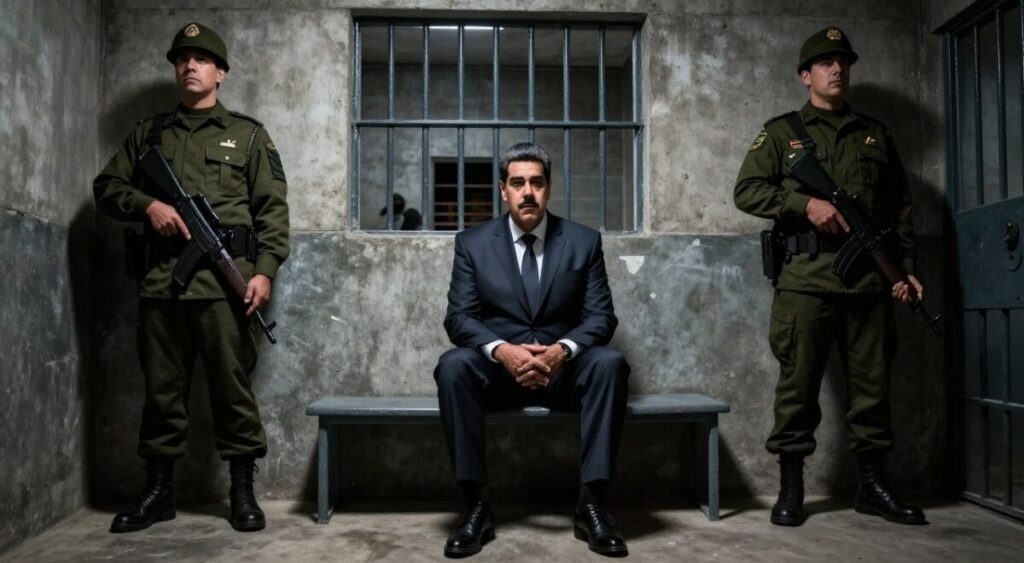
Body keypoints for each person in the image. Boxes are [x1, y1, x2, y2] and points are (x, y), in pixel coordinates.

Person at [93, 22, 289, 533]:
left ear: (220, 72)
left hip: (227, 292)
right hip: (162, 286)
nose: (190, 65)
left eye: (202, 59)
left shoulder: (248, 135)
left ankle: (242, 492)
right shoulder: (148, 135)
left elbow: (273, 212)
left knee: (232, 391)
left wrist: (264, 272)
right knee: (162, 394)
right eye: (182, 58)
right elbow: (107, 187)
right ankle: (158, 493)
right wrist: (148, 205)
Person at [734, 26, 926, 527]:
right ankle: (792, 487)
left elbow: (901, 208)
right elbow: (748, 191)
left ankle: (872, 485)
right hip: (805, 283)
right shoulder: (782, 133)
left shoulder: (875, 134)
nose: (836, 69)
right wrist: (804, 204)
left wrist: (903, 269)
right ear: (806, 75)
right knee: (797, 389)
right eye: (824, 63)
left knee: (872, 388)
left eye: (843, 62)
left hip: (868, 283)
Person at [434, 143, 631, 557]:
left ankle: (591, 503)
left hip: (564, 372)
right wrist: (503, 351)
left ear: (549, 189)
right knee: (453, 366)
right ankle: (476, 505)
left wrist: (562, 350)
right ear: (503, 189)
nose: (528, 192)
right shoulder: (472, 243)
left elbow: (601, 318)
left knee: (610, 363)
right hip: (500, 374)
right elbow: (460, 318)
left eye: (537, 183)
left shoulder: (583, 241)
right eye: (518, 183)